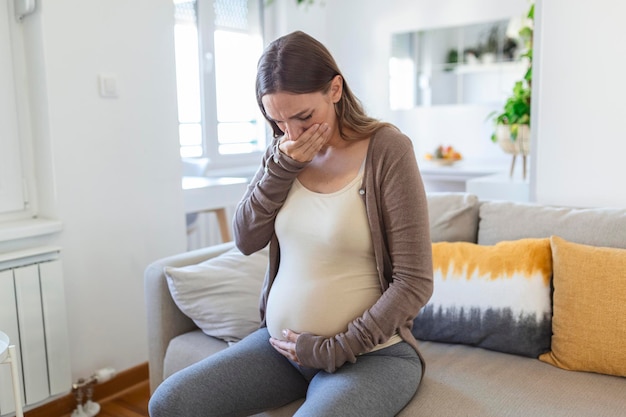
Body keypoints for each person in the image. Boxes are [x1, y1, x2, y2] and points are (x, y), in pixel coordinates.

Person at [149, 30, 433, 417]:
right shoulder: (281, 153)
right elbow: (247, 239)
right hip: (280, 349)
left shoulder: (387, 150)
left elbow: (414, 282)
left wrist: (334, 348)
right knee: (170, 403)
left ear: (335, 89)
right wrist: (283, 167)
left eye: (303, 117)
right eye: (278, 121)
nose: (292, 133)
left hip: (372, 355)